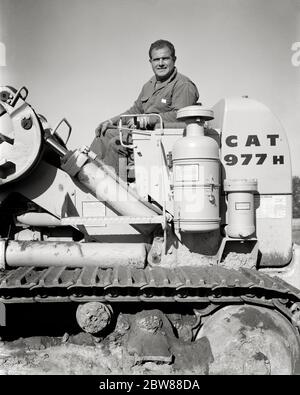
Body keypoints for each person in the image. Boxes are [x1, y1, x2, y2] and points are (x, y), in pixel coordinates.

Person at [91, 39, 199, 180]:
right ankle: (87, 174)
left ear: (174, 60)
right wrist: (111, 121)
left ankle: (106, 188)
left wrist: (150, 120)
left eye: (165, 58)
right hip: (143, 134)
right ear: (150, 62)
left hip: (160, 140)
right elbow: (135, 110)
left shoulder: (183, 85)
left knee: (116, 142)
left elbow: (182, 118)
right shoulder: (149, 85)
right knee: (104, 134)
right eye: (156, 59)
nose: (160, 63)